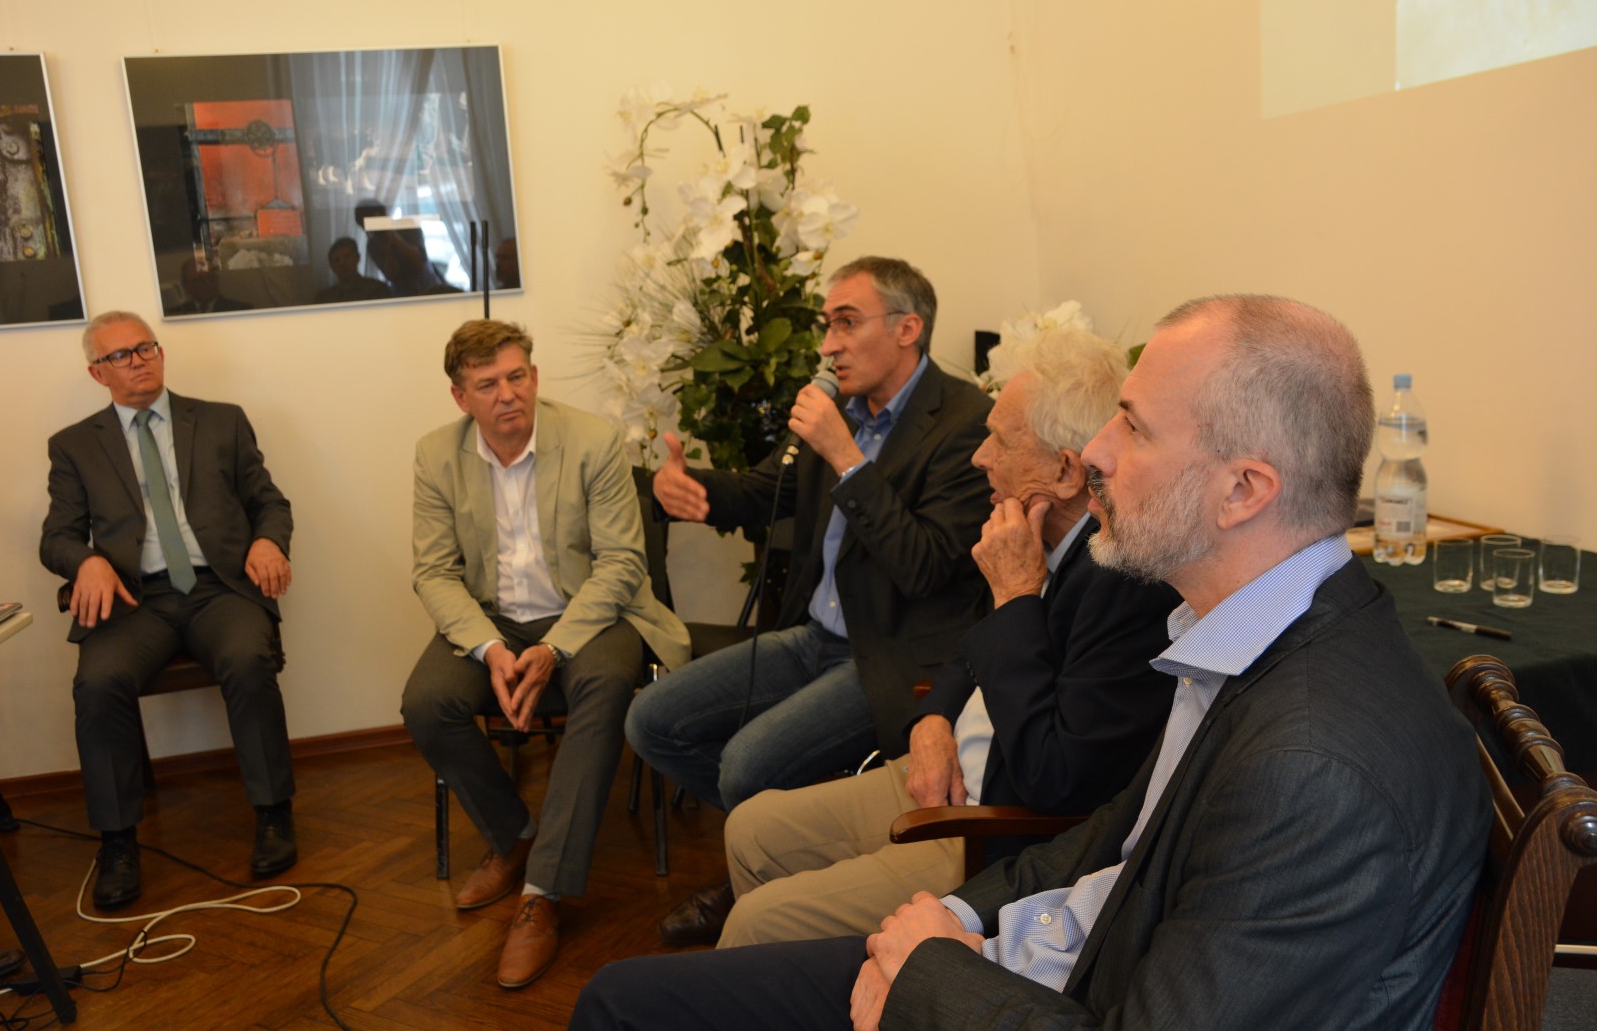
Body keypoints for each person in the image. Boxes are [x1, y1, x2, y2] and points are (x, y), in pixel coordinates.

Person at [572, 294, 1493, 1030]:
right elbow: (1113, 839)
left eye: (1133, 428)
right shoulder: (1249, 633)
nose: (1094, 455)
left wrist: (933, 972)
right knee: (633, 994)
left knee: (625, 1005)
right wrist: (960, 917)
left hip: (1049, 988)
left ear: (1243, 490)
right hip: (1040, 954)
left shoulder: (1314, 766)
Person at [718, 324, 1179, 947]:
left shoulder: (1122, 583)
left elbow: (1056, 778)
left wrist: (1015, 597)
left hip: (990, 825)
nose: (979, 457)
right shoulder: (1028, 532)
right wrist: (934, 718)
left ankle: (831, 978)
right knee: (749, 827)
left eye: (1000, 441)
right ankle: (802, 977)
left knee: (758, 920)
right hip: (949, 764)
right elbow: (972, 648)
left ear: (1066, 471)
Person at [626, 256, 993, 945]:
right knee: (653, 721)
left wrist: (847, 456)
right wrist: (690, 489)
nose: (828, 345)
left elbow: (923, 566)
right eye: (828, 326)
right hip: (812, 635)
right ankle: (785, 854)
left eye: (846, 324)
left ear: (908, 328)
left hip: (889, 655)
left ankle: (763, 876)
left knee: (746, 766)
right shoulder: (843, 412)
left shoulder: (966, 421)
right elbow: (769, 490)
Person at [401, 320, 689, 989]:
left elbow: (621, 563)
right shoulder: (435, 455)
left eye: (517, 376)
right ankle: (515, 836)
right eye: (487, 385)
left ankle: (542, 892)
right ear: (460, 397)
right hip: (492, 617)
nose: (507, 395)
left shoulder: (591, 440)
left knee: (605, 685)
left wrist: (554, 647)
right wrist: (489, 648)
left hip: (588, 612)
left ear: (533, 377)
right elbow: (434, 572)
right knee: (426, 703)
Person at [40, 311, 297, 910]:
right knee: (97, 683)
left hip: (219, 588)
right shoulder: (74, 445)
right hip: (135, 600)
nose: (139, 361)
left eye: (145, 347)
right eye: (121, 355)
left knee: (247, 660)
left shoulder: (222, 421)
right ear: (97, 373)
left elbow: (269, 502)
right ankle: (118, 842)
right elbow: (57, 536)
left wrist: (268, 541)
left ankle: (273, 813)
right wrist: (86, 561)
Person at [312, 236, 391, 304]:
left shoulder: (377, 289)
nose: (342, 263)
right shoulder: (324, 298)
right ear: (332, 267)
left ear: (357, 258)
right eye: (337, 260)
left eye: (347, 257)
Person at [167, 258, 251, 315]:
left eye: (211, 278)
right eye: (199, 280)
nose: (207, 284)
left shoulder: (241, 310)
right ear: (186, 285)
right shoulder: (174, 314)